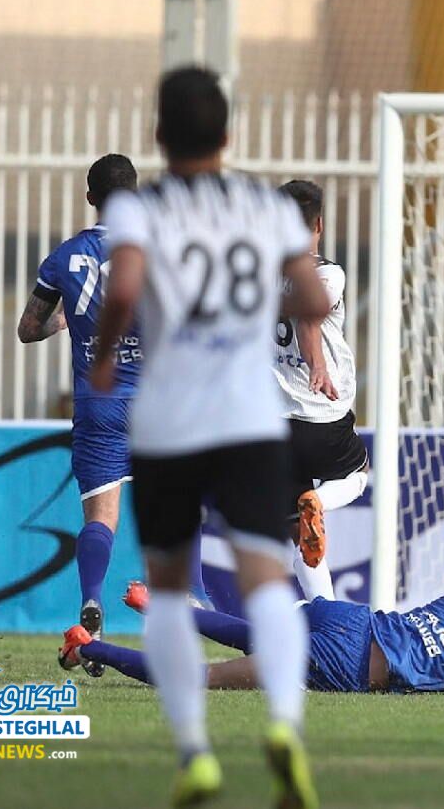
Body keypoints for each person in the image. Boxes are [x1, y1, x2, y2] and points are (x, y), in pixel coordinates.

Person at [90, 66, 330, 809]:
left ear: (160, 136)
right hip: (249, 417)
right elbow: (315, 296)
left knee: (164, 588)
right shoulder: (265, 206)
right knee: (266, 578)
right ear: (228, 135)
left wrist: (101, 359)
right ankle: (286, 726)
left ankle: (194, 752)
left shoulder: (145, 207)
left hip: (169, 417)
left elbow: (124, 287)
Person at [60, 574, 444, 702]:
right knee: (205, 680)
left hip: (350, 616)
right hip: (354, 658)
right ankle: (89, 647)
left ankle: (155, 603)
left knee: (252, 634)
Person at [19, 154, 139, 677]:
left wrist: (64, 319)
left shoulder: (64, 259)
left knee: (101, 518)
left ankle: (92, 605)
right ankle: (192, 599)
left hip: (98, 404)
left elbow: (27, 327)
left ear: (91, 198)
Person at [272, 180, 368, 601]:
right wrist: (318, 367)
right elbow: (310, 319)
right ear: (320, 225)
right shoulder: (327, 272)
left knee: (298, 532)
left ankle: (325, 615)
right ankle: (321, 500)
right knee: (358, 475)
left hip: (274, 421)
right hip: (321, 414)